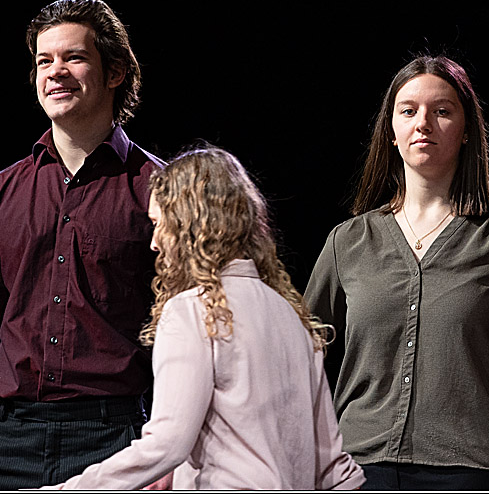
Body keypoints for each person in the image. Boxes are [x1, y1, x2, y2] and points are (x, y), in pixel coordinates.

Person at [304, 54, 489, 490]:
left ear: (467, 130)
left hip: (469, 470)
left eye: (442, 111)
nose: (423, 123)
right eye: (409, 110)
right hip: (358, 471)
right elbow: (298, 357)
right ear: (391, 132)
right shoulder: (349, 241)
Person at [43, 146, 366, 489]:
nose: (154, 243)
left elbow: (166, 444)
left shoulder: (191, 311)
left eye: (158, 223)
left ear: (189, 225)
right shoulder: (293, 317)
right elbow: (334, 470)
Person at [0, 0, 164, 490]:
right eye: (44, 61)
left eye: (74, 57)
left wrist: (171, 446)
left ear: (115, 72)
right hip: (5, 436)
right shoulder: (3, 191)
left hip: (116, 436)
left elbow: (185, 326)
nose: (55, 72)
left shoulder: (158, 188)